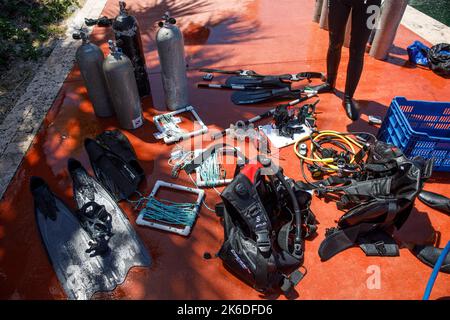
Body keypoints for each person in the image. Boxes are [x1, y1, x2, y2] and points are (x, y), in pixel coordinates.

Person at [311, 0, 381, 120]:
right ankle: (329, 83)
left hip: (370, 3)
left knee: (358, 50)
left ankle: (348, 98)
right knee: (334, 42)